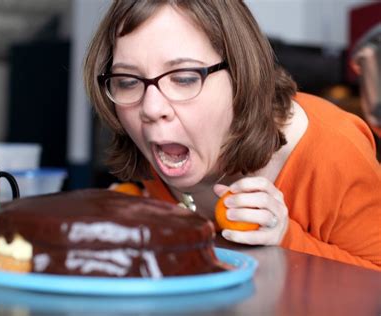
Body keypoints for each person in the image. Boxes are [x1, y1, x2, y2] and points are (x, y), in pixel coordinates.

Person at [83, 0, 381, 271]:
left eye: (184, 78)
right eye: (127, 81)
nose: (150, 108)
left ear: (240, 75)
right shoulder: (160, 144)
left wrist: (286, 241)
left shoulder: (333, 149)